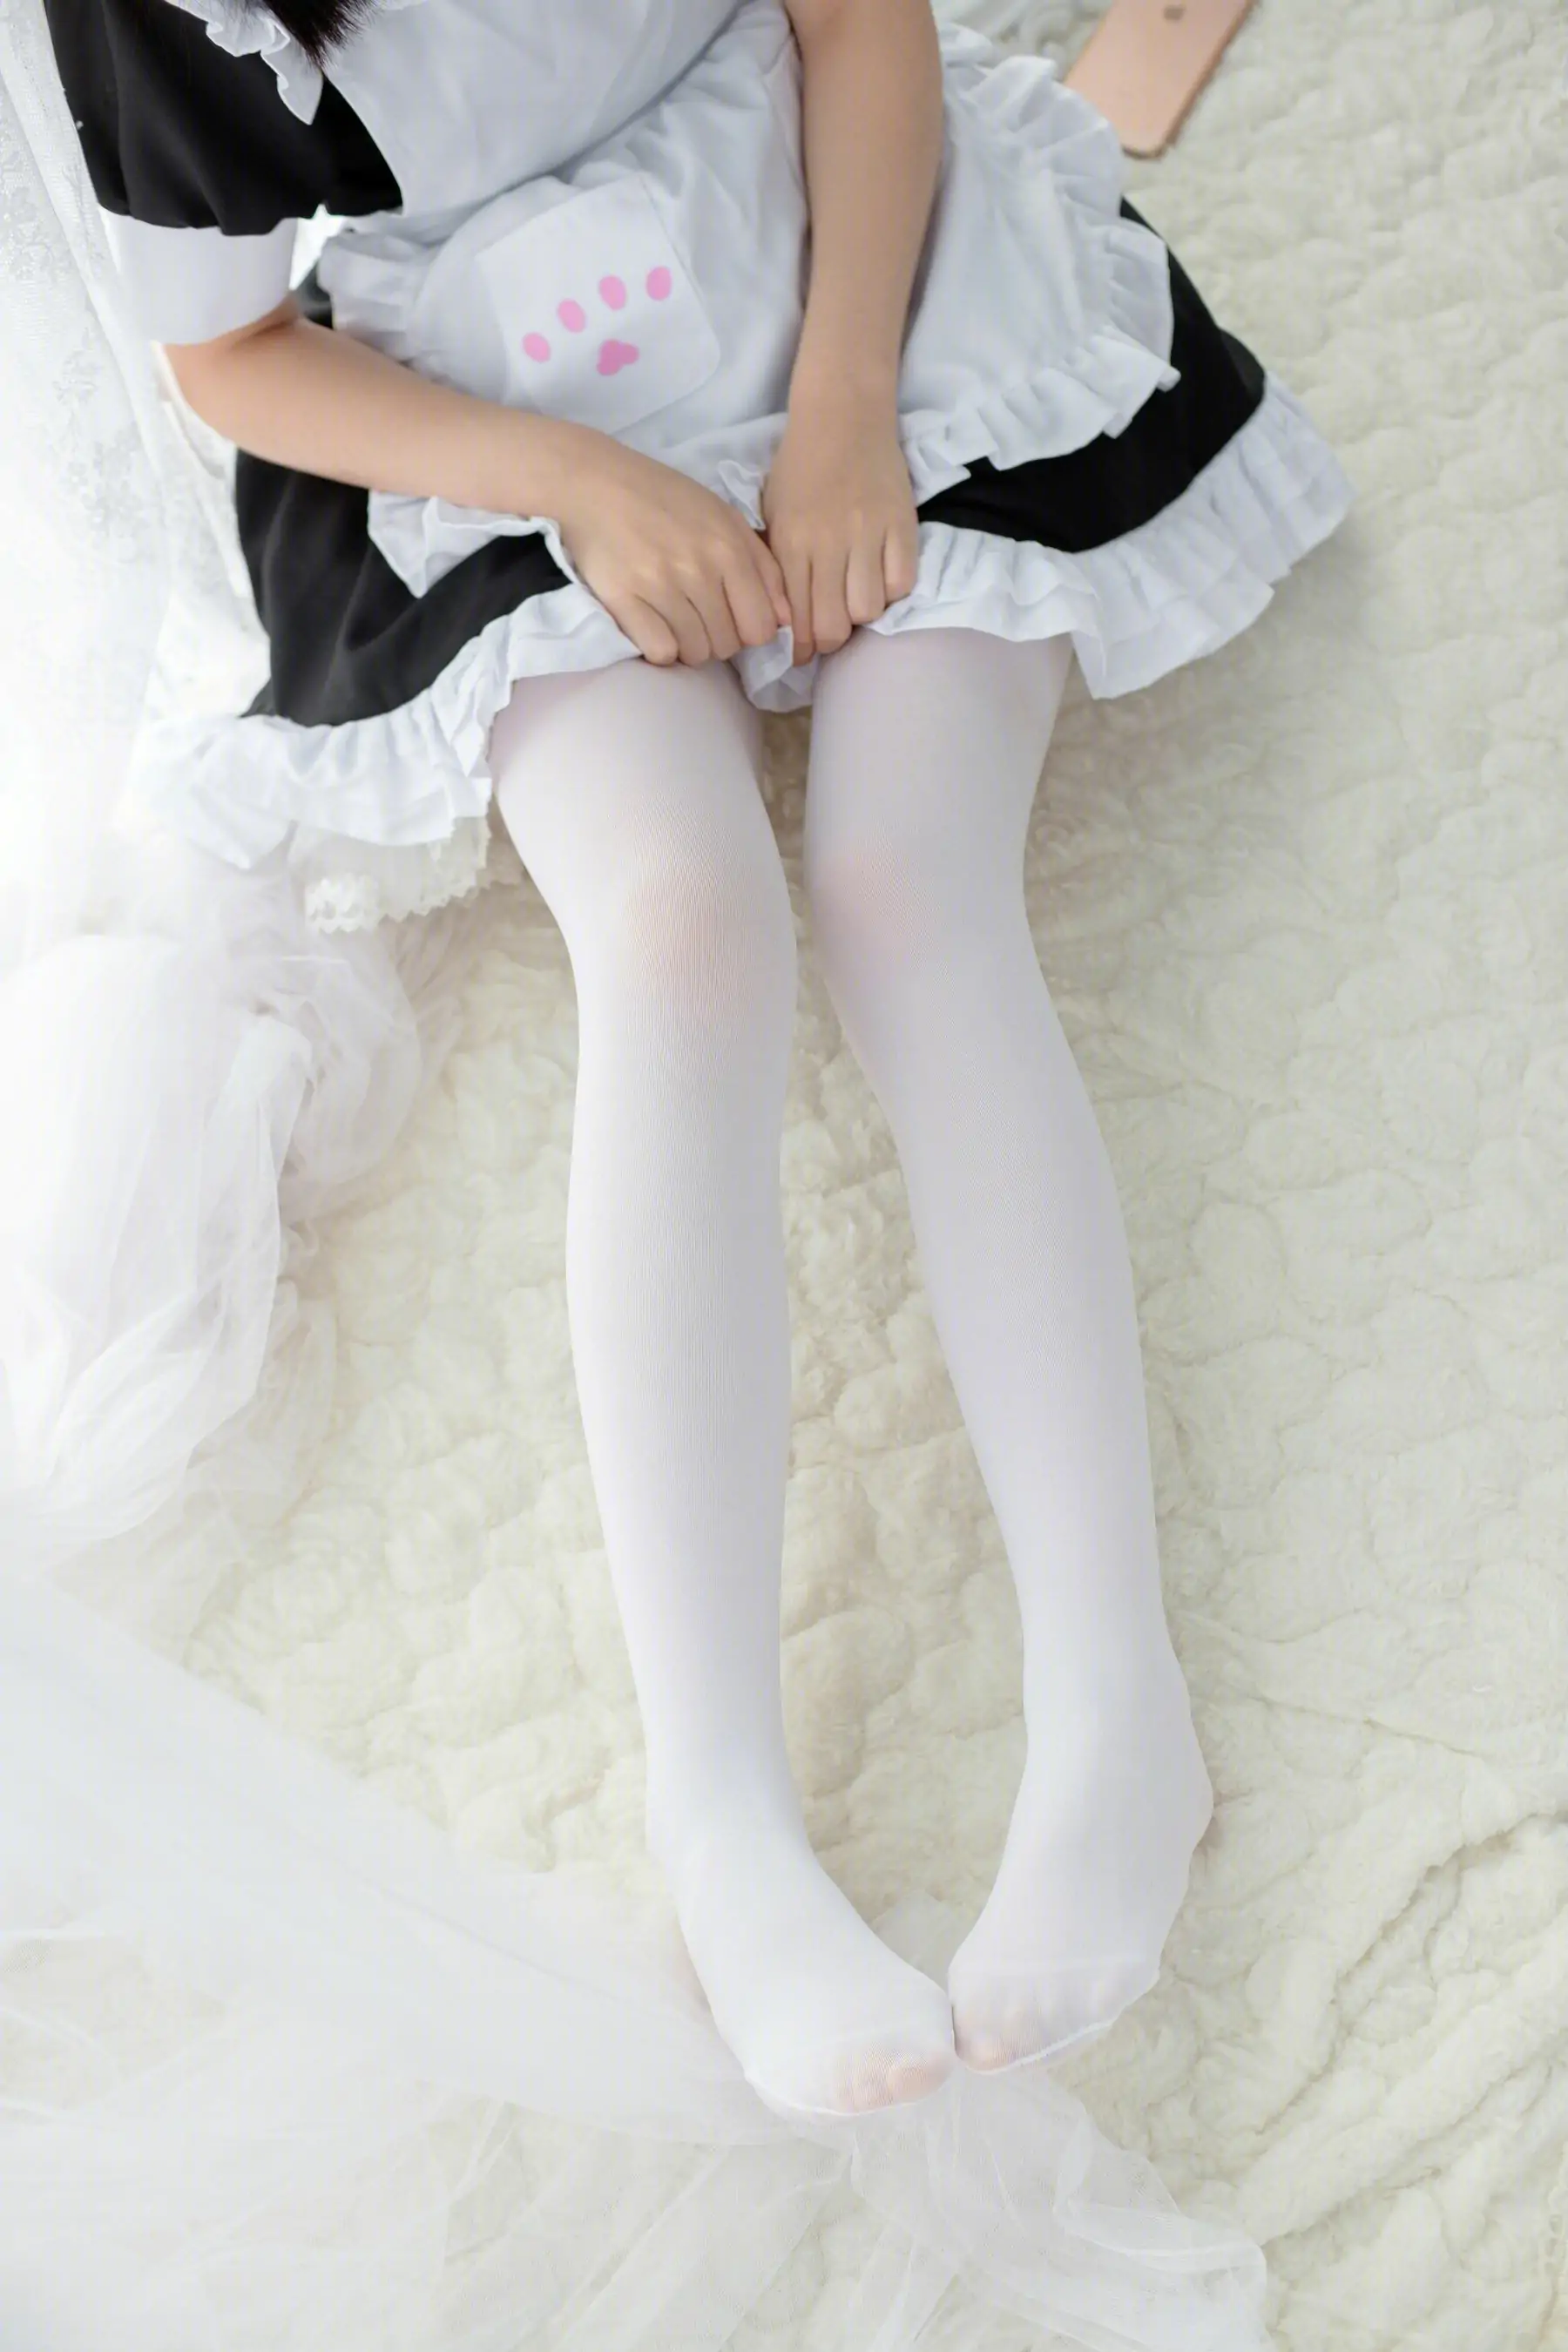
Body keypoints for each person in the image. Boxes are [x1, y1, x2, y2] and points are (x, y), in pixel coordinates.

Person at [39, 0, 1353, 2129]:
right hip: (495, 390)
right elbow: (232, 356)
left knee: (909, 888)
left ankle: (1120, 1707)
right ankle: (720, 1810)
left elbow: (858, 20)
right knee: (676, 929)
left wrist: (843, 410)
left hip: (858, 242)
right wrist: (585, 482)